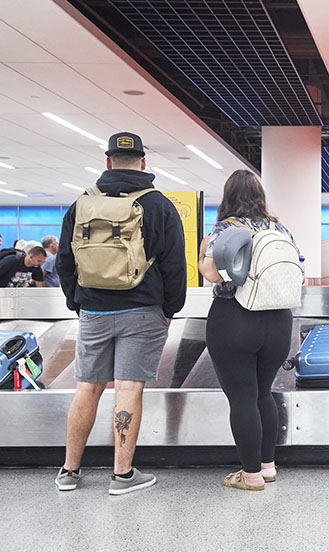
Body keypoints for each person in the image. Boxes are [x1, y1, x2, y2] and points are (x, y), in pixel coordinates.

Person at [55, 132, 186, 495]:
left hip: (94, 311)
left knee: (86, 388)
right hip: (143, 310)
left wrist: (78, 302)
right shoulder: (159, 204)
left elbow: (65, 262)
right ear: (144, 163)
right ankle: (122, 475)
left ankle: (69, 471)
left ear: (108, 162)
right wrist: (170, 310)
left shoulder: (81, 204)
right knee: (128, 389)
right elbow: (175, 265)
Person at [198, 170, 299, 491]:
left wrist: (203, 254)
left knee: (241, 398)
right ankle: (267, 466)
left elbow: (213, 274)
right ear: (260, 195)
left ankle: (250, 475)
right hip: (279, 320)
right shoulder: (279, 228)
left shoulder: (224, 228)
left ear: (227, 196)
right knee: (263, 393)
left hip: (235, 318)